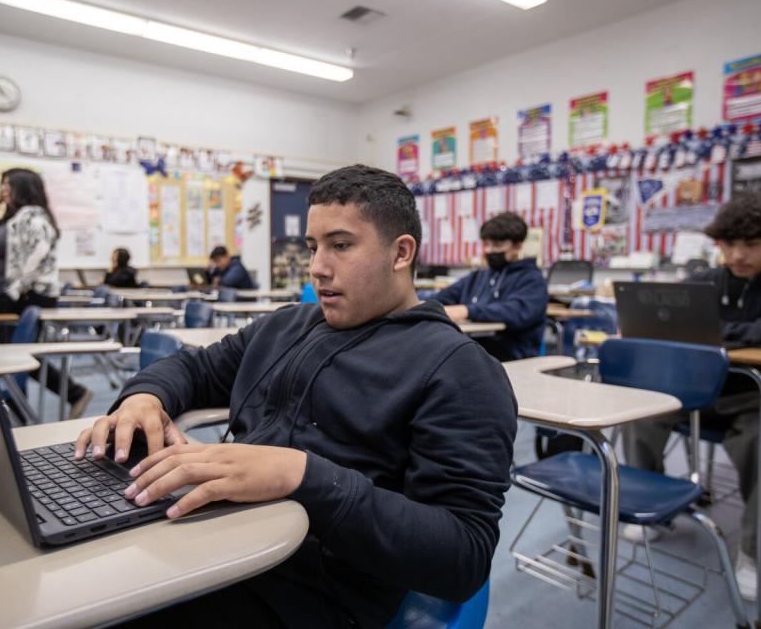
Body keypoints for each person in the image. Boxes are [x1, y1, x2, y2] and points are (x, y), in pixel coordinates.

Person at [74, 164, 517, 629]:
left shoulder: (460, 370)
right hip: (211, 545)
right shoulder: (286, 325)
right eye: (313, 247)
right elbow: (195, 368)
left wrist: (302, 476)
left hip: (303, 594)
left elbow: (463, 556)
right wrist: (144, 397)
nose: (318, 267)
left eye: (341, 245)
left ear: (400, 252)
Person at [622, 192, 761, 600]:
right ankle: (650, 505)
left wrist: (721, 332)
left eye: (751, 245)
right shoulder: (708, 280)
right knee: (640, 410)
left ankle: (758, 553)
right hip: (711, 386)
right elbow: (669, 319)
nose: (737, 255)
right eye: (728, 244)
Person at [0, 168, 93, 418]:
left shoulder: (34, 218)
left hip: (25, 297)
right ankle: (18, 410)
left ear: (22, 187)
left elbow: (35, 258)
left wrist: (15, 289)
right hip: (14, 296)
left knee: (19, 356)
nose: (3, 189)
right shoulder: (17, 216)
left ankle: (73, 392)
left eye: (8, 184)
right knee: (15, 357)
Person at [430, 212, 547, 361]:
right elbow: (444, 296)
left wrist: (467, 311)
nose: (489, 251)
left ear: (517, 245)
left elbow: (515, 311)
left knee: (449, 356)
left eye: (498, 245)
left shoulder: (532, 279)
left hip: (512, 352)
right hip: (475, 344)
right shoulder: (479, 276)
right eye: (486, 244)